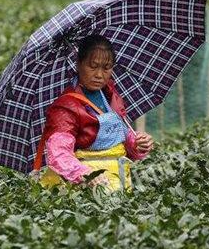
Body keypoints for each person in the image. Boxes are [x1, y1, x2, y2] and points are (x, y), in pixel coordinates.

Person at [33, 34, 154, 192]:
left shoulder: (111, 96)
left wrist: (137, 143)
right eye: (92, 66)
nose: (99, 75)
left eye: (106, 67)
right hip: (86, 189)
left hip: (119, 181)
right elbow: (58, 153)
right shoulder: (66, 106)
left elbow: (120, 140)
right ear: (78, 64)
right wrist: (85, 174)